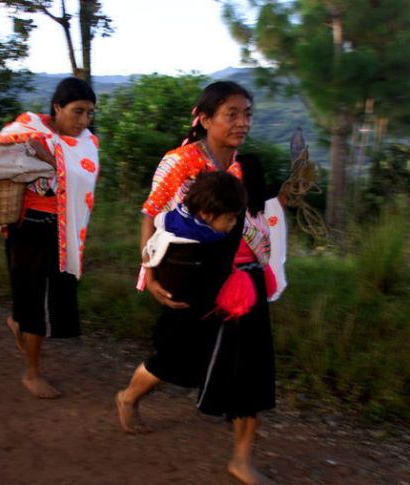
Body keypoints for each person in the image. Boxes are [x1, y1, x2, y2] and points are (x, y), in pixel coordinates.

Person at [116, 81, 277, 485]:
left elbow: (259, 216)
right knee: (177, 357)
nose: (243, 123)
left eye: (247, 114)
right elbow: (151, 215)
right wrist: (150, 272)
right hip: (196, 280)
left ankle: (241, 458)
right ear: (204, 119)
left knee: (250, 367)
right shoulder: (180, 163)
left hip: (245, 280)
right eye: (232, 114)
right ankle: (129, 396)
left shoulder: (246, 167)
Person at [0, 77, 100, 399]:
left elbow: (83, 190)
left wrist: (49, 159)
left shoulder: (88, 144)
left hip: (64, 231)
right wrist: (25, 148)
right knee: (34, 299)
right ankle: (31, 373)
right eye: (77, 112)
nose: (84, 121)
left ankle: (18, 321)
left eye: (89, 113)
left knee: (57, 298)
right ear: (57, 107)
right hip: (28, 229)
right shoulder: (29, 128)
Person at [142, 170, 247, 306]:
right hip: (187, 296)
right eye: (230, 219)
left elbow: (159, 219)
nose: (234, 223)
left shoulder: (179, 214)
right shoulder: (205, 234)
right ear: (206, 214)